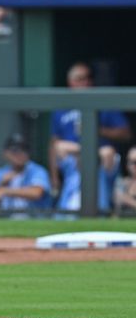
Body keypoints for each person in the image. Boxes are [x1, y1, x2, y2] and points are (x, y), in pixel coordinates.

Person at [50, 62, 132, 212]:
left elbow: (125, 133)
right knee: (62, 149)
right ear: (71, 82)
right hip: (72, 158)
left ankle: (101, 209)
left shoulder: (104, 104)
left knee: (106, 153)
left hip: (101, 158)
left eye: (88, 78)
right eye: (80, 79)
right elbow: (54, 144)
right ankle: (67, 210)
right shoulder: (61, 108)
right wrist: (54, 179)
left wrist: (97, 130)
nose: (85, 82)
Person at [0, 133, 52, 213]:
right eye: (15, 151)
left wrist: (5, 191)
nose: (20, 154)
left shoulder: (37, 171)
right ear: (5, 153)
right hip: (8, 221)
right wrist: (1, 185)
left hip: (34, 220)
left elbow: (36, 193)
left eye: (24, 150)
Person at [114, 146, 136, 213]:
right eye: (132, 162)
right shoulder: (121, 182)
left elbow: (122, 198)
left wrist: (128, 200)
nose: (134, 165)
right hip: (123, 220)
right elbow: (117, 200)